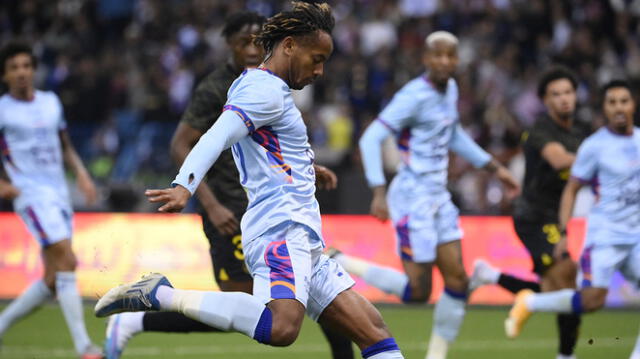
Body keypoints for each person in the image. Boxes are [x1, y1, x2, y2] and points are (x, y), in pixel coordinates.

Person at [95, 3, 404, 358]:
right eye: (316, 58)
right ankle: (160, 294)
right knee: (282, 328)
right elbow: (216, 135)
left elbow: (265, 146)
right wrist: (185, 185)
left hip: (303, 237)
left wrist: (306, 168)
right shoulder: (264, 90)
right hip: (280, 229)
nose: (319, 71)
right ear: (289, 46)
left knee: (375, 334)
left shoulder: (265, 88)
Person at [330, 31, 520, 359]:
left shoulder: (451, 90)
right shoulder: (413, 96)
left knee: (458, 281)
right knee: (418, 292)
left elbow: (454, 134)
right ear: (426, 59)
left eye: (450, 55)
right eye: (438, 55)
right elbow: (371, 138)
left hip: (438, 196)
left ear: (457, 60)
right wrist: (379, 191)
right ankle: (341, 261)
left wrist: (493, 167)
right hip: (412, 198)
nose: (445, 61)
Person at [506, 79, 640, 359]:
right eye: (612, 102)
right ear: (603, 108)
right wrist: (565, 231)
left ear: (633, 105)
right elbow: (572, 189)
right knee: (591, 301)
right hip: (605, 237)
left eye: (623, 101)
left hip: (636, 236)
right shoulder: (593, 146)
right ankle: (532, 302)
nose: (618, 107)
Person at [469, 66, 588, 359]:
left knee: (554, 290)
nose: (563, 99)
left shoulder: (580, 132)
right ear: (545, 101)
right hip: (533, 216)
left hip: (556, 216)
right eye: (556, 94)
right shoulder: (539, 131)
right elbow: (559, 161)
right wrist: (601, 154)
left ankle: (492, 276)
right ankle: (566, 355)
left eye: (568, 92)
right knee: (567, 277)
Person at [0, 42, 102, 359]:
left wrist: (82, 175)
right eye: (14, 67)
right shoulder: (2, 109)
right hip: (29, 193)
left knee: (54, 279)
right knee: (67, 260)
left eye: (26, 66)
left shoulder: (50, 102)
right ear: (5, 75)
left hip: (58, 192)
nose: (21, 72)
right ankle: (84, 346)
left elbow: (65, 144)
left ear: (33, 70)